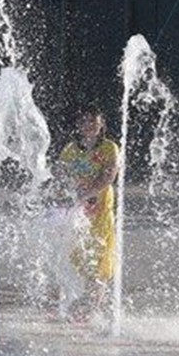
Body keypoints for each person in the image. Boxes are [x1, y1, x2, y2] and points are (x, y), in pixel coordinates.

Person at [57, 108, 120, 321]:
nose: (89, 125)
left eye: (93, 121)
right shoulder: (70, 150)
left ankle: (90, 308)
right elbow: (61, 174)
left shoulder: (109, 148)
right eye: (84, 121)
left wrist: (88, 193)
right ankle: (88, 305)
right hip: (79, 214)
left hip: (101, 213)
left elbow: (108, 176)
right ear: (78, 125)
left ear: (101, 124)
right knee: (82, 259)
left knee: (99, 261)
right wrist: (70, 191)